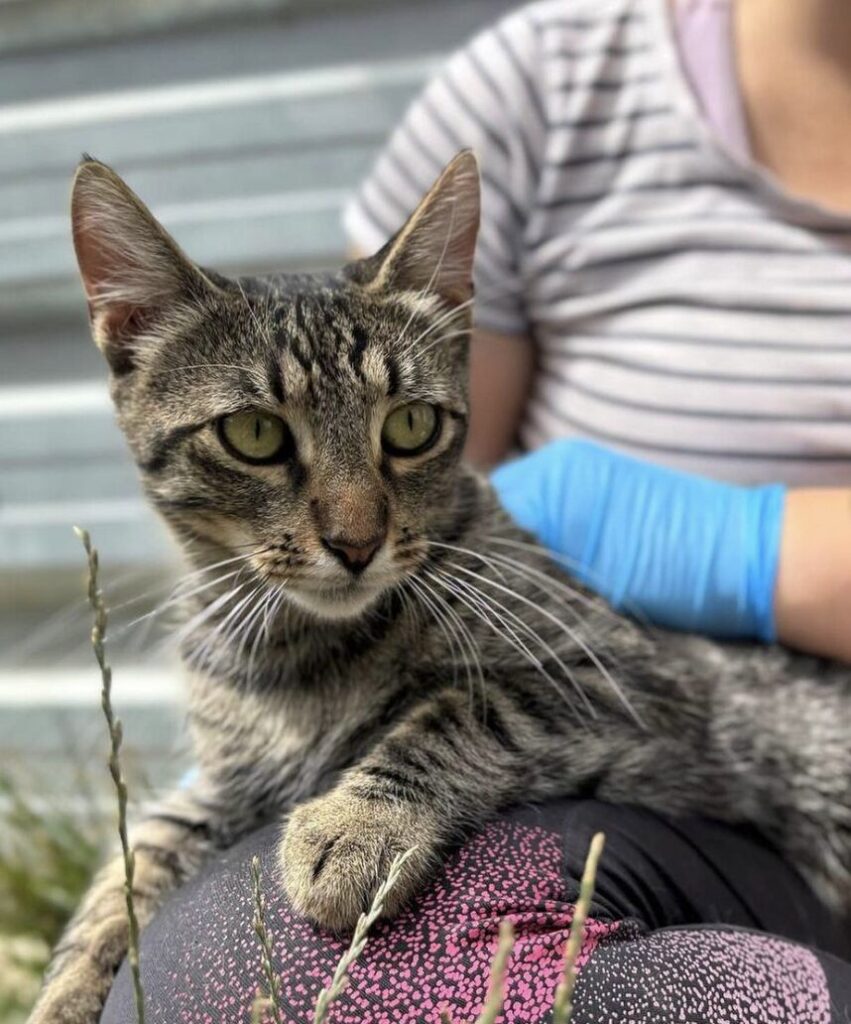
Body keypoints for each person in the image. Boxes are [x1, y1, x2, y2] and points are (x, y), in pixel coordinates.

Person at [101, 0, 851, 1019]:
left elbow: (631, 700)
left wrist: (746, 552)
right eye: (259, 440)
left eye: (402, 439)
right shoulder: (552, 76)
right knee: (230, 970)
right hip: (640, 821)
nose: (353, 526)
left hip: (776, 766)